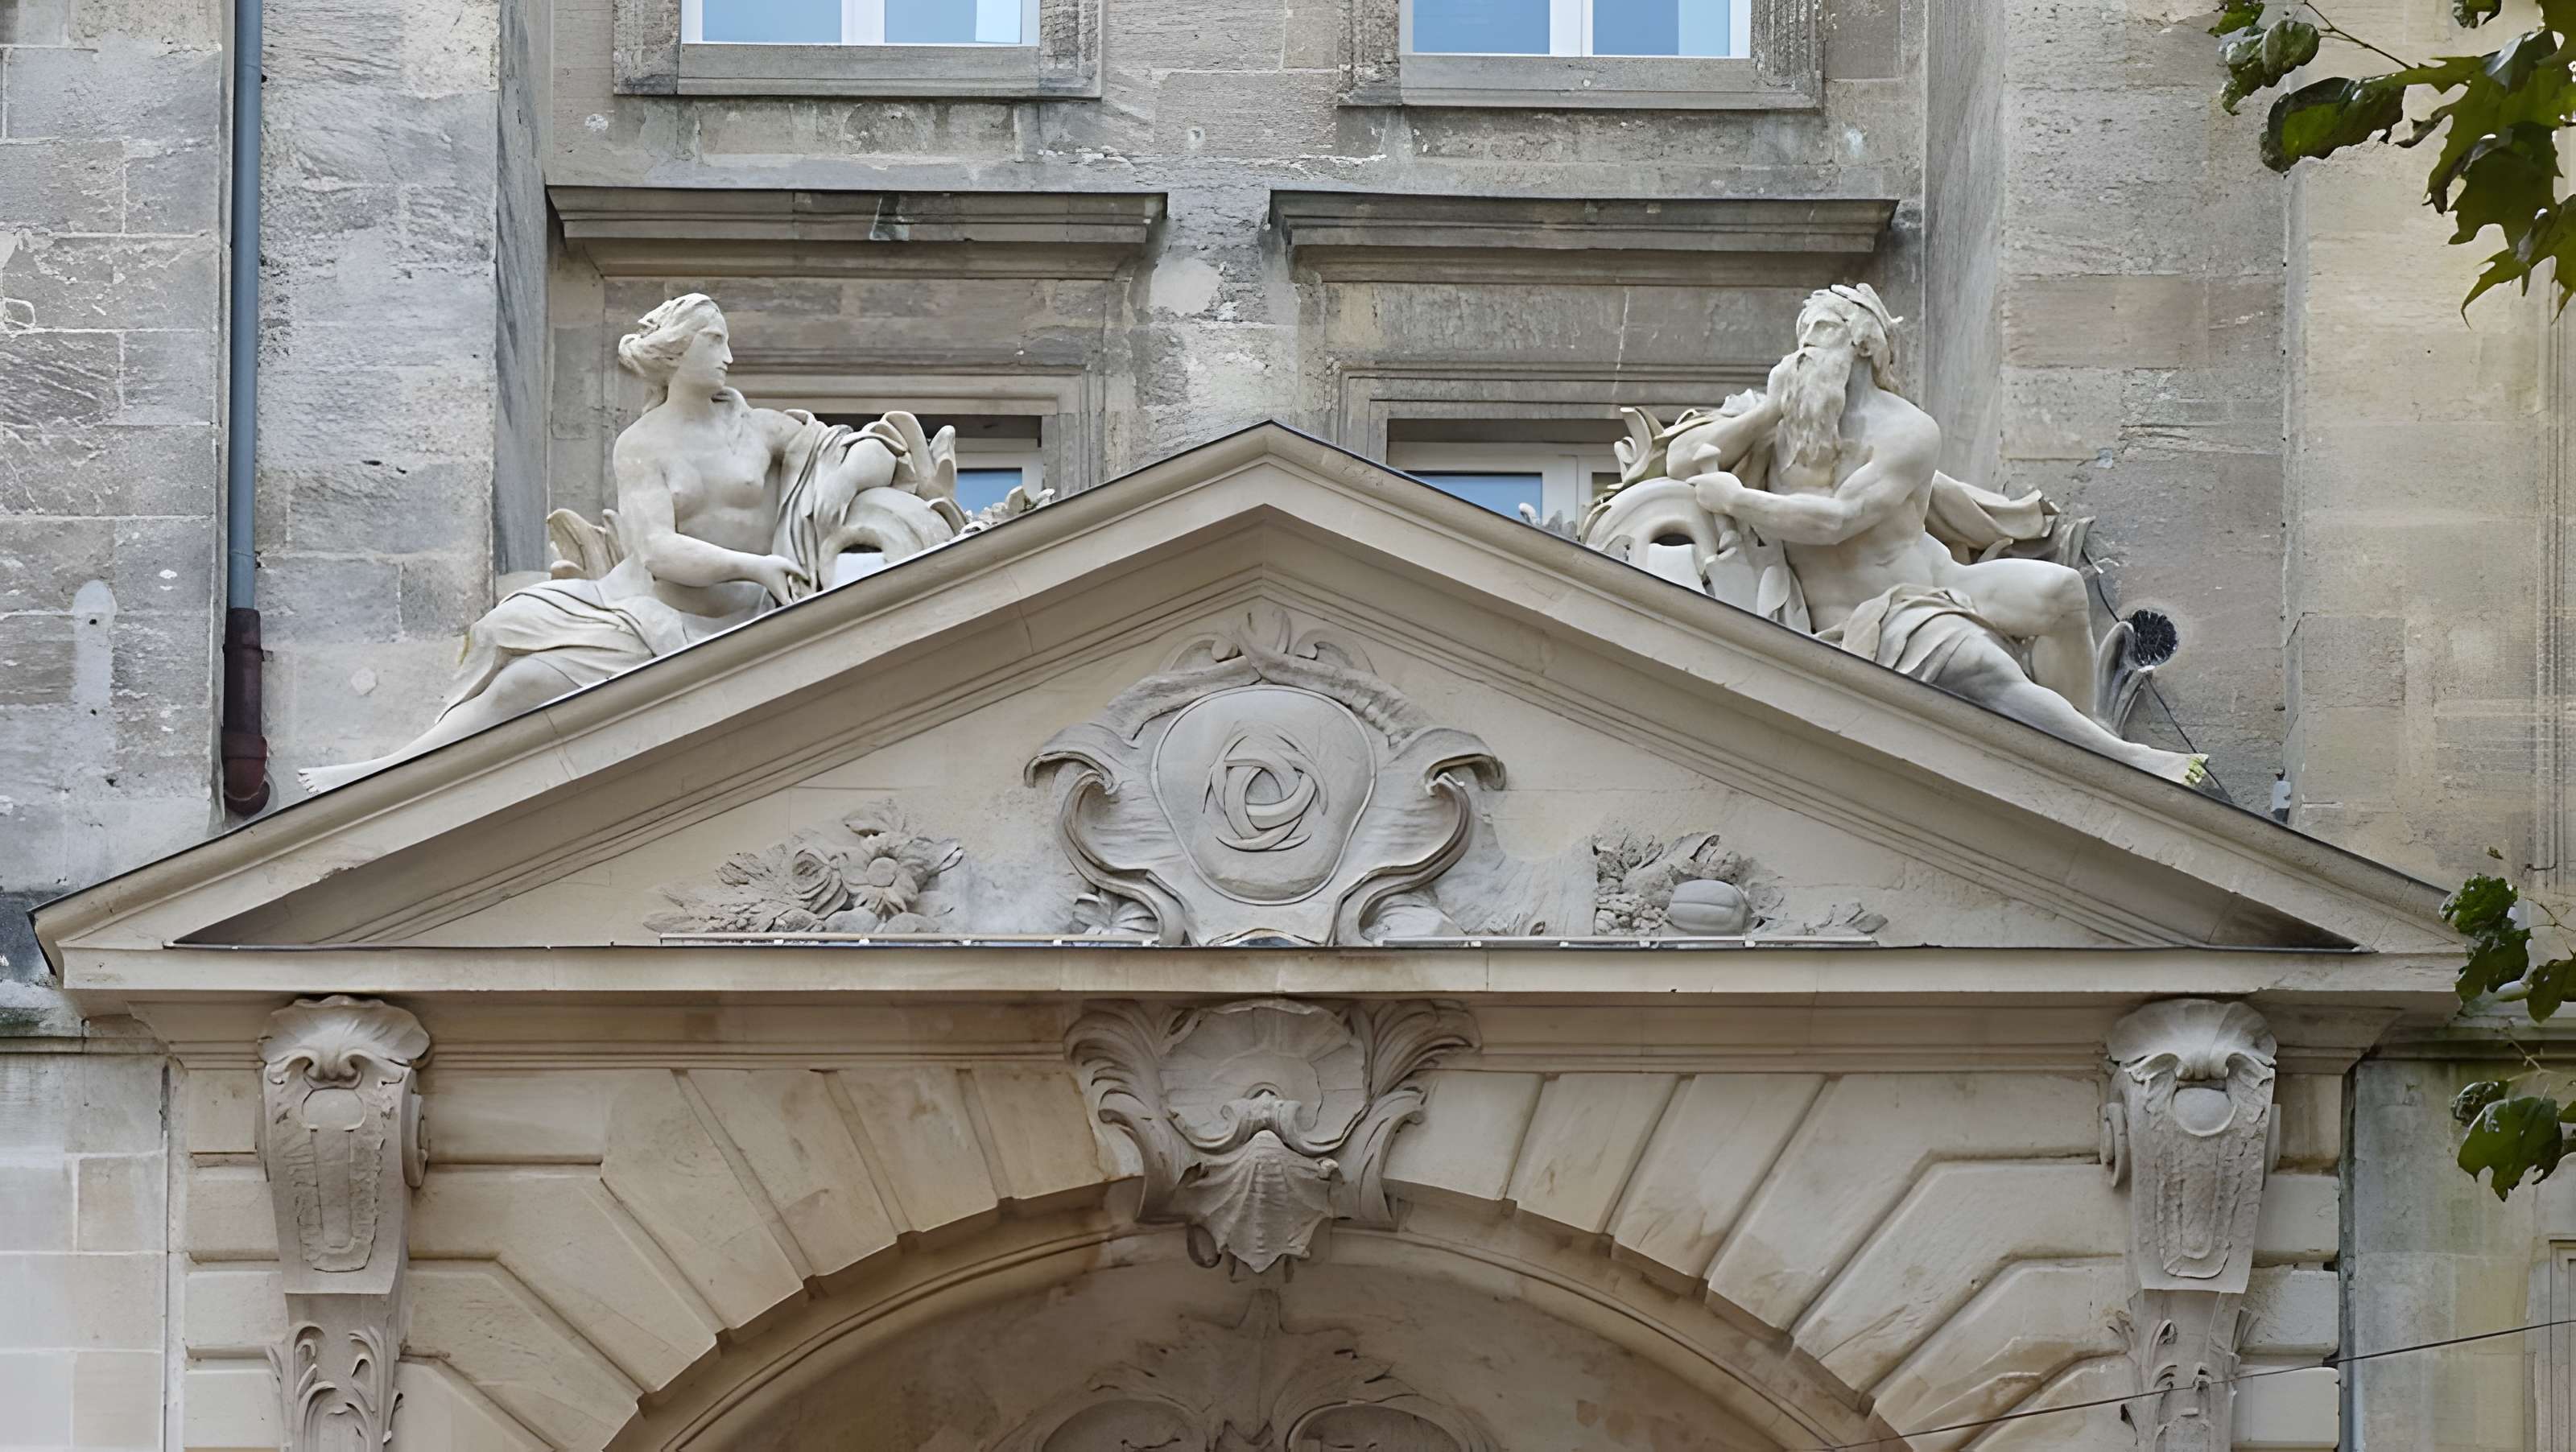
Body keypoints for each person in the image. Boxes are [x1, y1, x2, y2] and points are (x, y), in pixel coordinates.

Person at [296, 294, 957, 794]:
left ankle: (388, 776)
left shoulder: (757, 428)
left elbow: (876, 445)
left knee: (523, 671)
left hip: (736, 623)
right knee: (514, 660)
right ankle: (388, 775)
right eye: (714, 342)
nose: (728, 356)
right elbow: (660, 553)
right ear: (677, 354)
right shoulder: (643, 445)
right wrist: (755, 565)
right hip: (643, 617)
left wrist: (838, 483)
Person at [1668, 285, 2207, 786]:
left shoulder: (1906, 430)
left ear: (1864, 344)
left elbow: (1838, 519)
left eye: (1824, 330)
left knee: (2062, 593)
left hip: (1940, 583)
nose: (1806, 345)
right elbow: (1680, 460)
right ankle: (2128, 764)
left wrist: (1738, 499)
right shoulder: (1780, 421)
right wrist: (1767, 411)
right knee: (1977, 662)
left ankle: (2080, 738)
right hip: (1871, 616)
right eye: (1802, 331)